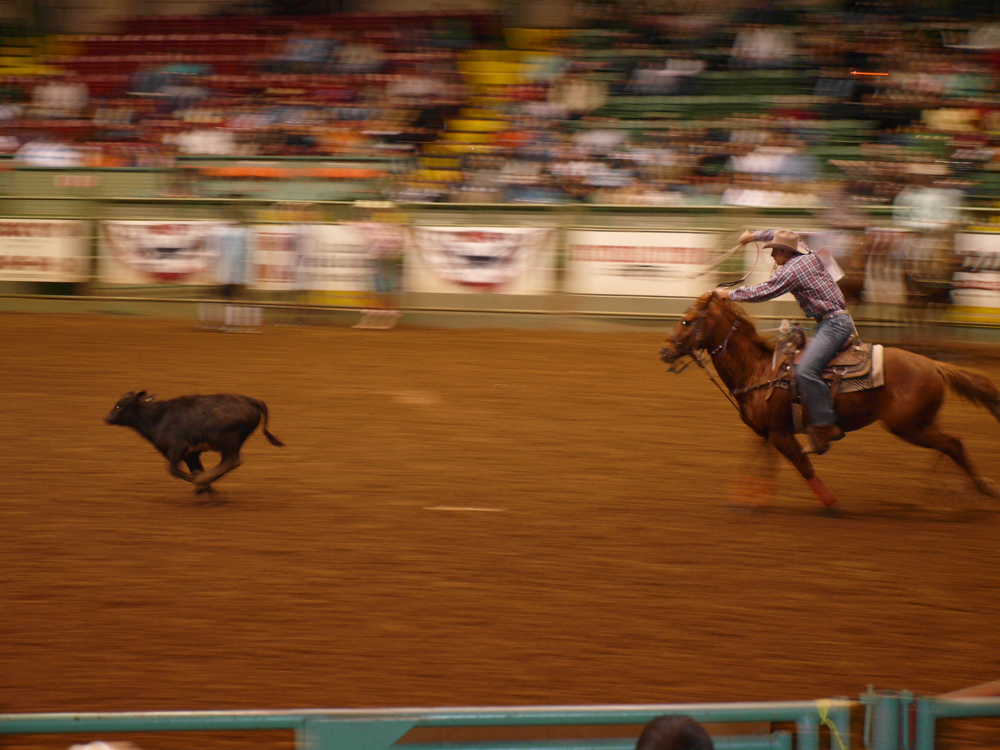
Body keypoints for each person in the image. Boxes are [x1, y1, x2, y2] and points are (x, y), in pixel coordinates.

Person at [714, 228, 853, 455]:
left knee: (805, 371)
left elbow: (765, 291)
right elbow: (780, 232)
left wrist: (728, 294)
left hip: (833, 325)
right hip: (832, 322)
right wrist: (753, 236)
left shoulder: (792, 270)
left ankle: (825, 425)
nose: (771, 256)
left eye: (775, 251)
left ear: (786, 252)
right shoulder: (808, 253)